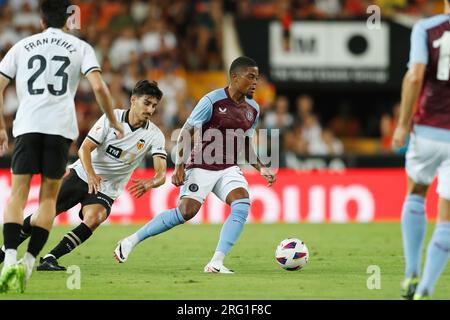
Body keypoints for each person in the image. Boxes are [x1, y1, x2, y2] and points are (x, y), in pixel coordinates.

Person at [0, 0, 124, 293]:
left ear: (41, 20)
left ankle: (8, 259)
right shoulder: (80, 47)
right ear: (69, 20)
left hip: (27, 126)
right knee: (48, 200)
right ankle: (29, 263)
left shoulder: (22, 46)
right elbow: (98, 87)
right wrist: (113, 121)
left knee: (18, 195)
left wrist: (1, 127)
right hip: (59, 129)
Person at [114, 56, 276, 273]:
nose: (255, 82)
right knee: (186, 213)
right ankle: (131, 240)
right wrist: (180, 165)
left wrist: (261, 167)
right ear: (235, 78)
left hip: (228, 167)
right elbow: (186, 132)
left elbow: (245, 142)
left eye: (257, 77)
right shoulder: (212, 100)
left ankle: (216, 262)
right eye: (251, 77)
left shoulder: (253, 108)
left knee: (242, 203)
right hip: (202, 164)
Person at [0, 80, 166, 272]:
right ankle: (5, 250)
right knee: (43, 215)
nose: (150, 109)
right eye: (147, 103)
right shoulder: (111, 119)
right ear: (133, 100)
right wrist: (91, 174)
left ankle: (50, 258)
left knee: (95, 218)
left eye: (154, 105)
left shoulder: (155, 135)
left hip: (107, 187)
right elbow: (85, 148)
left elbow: (161, 174)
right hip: (82, 174)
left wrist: (150, 183)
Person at [392, 0, 450, 300]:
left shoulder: (426, 28)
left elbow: (415, 76)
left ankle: (411, 272)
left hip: (427, 129)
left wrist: (403, 123)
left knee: (416, 193)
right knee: (448, 214)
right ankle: (426, 286)